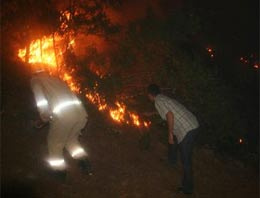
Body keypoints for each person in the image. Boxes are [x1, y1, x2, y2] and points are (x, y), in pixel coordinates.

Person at [30, 65, 92, 180]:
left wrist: (43, 118)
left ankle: (60, 173)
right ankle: (85, 164)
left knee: (54, 143)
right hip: (81, 114)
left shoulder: (37, 82)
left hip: (64, 116)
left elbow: (41, 102)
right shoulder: (56, 79)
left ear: (34, 74)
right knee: (71, 140)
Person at [146, 84, 199, 194]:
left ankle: (187, 189)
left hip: (187, 130)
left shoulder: (158, 102)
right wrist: (152, 113)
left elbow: (169, 115)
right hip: (192, 124)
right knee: (174, 141)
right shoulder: (163, 98)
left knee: (186, 161)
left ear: (150, 95)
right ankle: (172, 161)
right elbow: (167, 112)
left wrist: (170, 133)